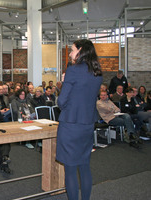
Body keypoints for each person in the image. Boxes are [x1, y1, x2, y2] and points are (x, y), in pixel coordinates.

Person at [56, 39, 103, 200]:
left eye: (72, 50)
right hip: (88, 125)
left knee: (70, 170)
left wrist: (64, 83)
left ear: (81, 50)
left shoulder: (73, 70)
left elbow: (61, 102)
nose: (70, 53)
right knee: (84, 166)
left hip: (70, 125)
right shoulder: (97, 72)